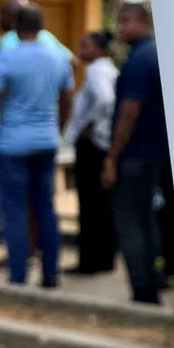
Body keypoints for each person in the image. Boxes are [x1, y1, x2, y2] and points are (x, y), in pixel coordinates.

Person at [0, 5, 74, 287]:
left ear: (14, 28)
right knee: (45, 207)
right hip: (46, 142)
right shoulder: (59, 59)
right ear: (41, 27)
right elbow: (67, 100)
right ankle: (51, 273)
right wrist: (57, 129)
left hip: (12, 145)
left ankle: (18, 273)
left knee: (16, 210)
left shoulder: (5, 59)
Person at [102, 3, 173, 304]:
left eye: (126, 21)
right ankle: (154, 281)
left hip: (135, 154)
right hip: (156, 152)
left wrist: (112, 157)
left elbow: (129, 112)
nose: (120, 28)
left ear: (144, 22)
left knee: (131, 221)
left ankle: (142, 290)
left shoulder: (139, 61)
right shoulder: (159, 53)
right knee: (147, 220)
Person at [62, 30, 119, 275]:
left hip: (92, 144)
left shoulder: (96, 71)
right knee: (101, 205)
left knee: (90, 205)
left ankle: (90, 262)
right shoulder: (109, 69)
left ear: (98, 48)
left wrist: (90, 125)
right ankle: (104, 258)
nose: (80, 50)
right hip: (101, 142)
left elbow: (105, 100)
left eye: (85, 45)